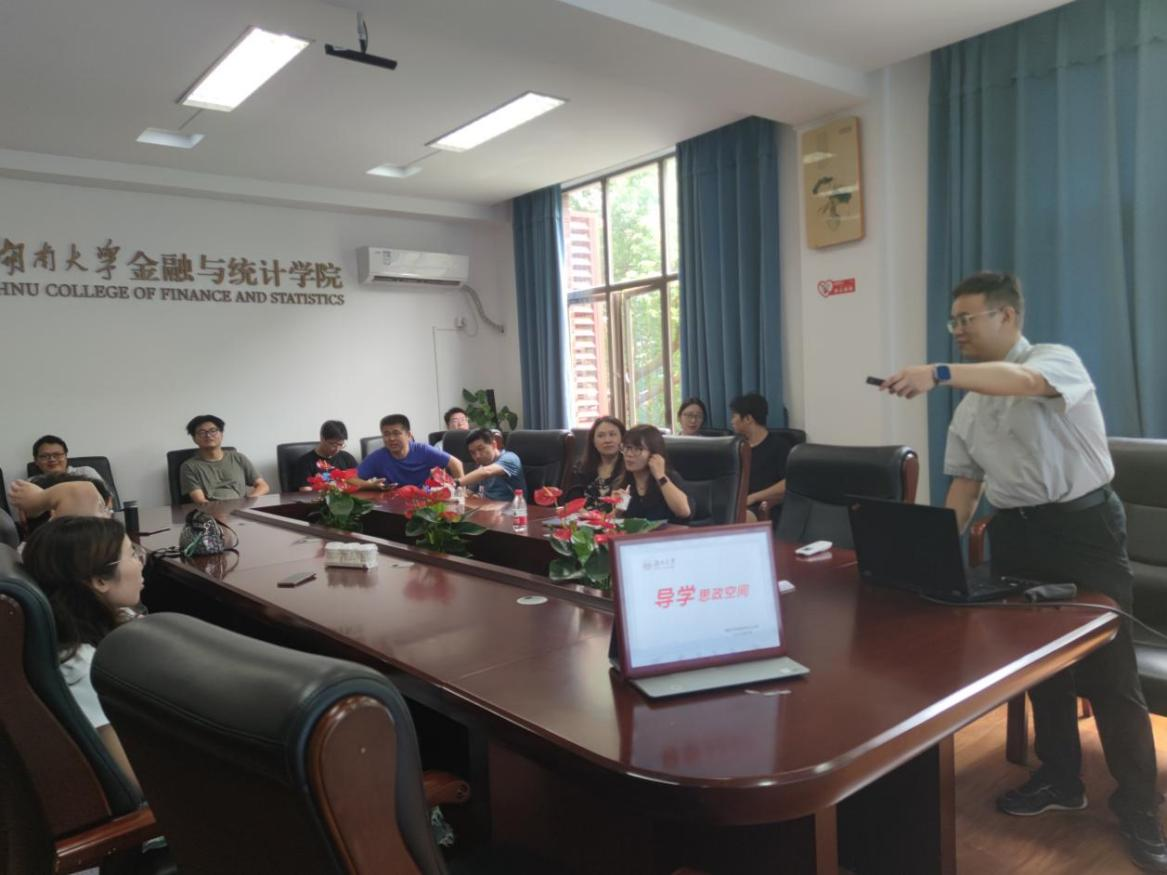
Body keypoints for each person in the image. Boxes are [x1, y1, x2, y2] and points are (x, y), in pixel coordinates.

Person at [883, 270, 1166, 870]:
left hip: (1083, 530)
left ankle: (1140, 804)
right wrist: (931, 555)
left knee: (1111, 673)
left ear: (1007, 316)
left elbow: (1027, 383)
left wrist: (937, 372)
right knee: (1042, 669)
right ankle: (1061, 778)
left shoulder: (1053, 360)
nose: (957, 331)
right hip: (1016, 535)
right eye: (952, 322)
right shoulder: (970, 410)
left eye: (966, 319)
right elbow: (966, 488)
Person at [21, 516, 145, 792]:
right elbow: (136, 784)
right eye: (131, 554)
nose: (140, 562)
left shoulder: (79, 632)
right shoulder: (84, 668)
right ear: (100, 580)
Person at [179, 415, 270, 505]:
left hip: (242, 508)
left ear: (222, 435)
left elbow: (263, 486)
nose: (208, 435)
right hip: (212, 510)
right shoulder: (189, 466)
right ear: (194, 439)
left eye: (213, 431)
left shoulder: (238, 458)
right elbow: (201, 501)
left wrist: (247, 502)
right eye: (202, 432)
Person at [357, 414, 464, 488]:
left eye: (396, 433)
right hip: (393, 504)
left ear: (408, 435)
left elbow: (455, 463)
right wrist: (370, 485)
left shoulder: (423, 451)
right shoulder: (378, 457)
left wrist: (460, 491)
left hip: (423, 501)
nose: (391, 438)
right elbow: (351, 479)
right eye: (386, 434)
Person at [729, 394, 789, 520]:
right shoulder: (737, 447)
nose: (732, 421)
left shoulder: (779, 446)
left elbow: (788, 483)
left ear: (748, 419)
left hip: (764, 507)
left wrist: (754, 497)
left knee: (737, 518)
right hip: (737, 504)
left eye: (734, 416)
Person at [616, 425, 691, 524]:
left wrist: (660, 476)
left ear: (654, 454)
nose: (629, 454)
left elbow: (684, 512)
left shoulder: (669, 478)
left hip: (669, 533)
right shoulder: (624, 483)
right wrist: (617, 512)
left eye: (637, 449)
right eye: (627, 448)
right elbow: (616, 523)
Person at [564, 416, 626, 508]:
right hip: (583, 516)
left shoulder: (630, 468)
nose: (607, 440)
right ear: (593, 441)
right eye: (601, 435)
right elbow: (572, 499)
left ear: (622, 438)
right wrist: (580, 511)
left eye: (612, 434)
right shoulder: (581, 468)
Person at [458, 428, 525, 500]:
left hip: (512, 506)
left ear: (494, 445)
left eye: (480, 449)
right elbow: (469, 492)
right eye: (472, 452)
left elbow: (486, 472)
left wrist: (456, 483)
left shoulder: (510, 458)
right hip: (487, 505)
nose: (477, 456)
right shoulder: (481, 465)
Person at [291, 420, 359, 492]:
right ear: (322, 438)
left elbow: (359, 481)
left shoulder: (347, 458)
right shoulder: (305, 462)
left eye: (340, 444)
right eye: (333, 444)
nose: (337, 449)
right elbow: (305, 491)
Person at [29, 435, 105, 487]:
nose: (52, 459)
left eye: (57, 455)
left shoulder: (86, 472)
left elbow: (107, 498)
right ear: (36, 460)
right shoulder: (31, 483)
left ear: (66, 456)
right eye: (45, 456)